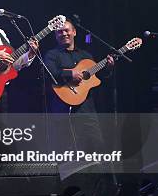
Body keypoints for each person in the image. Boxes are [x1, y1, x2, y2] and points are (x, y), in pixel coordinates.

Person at [44, 19, 114, 152]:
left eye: (67, 30)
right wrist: (70, 74)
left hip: (86, 110)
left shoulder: (85, 55)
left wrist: (108, 68)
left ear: (74, 32)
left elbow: (97, 78)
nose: (64, 33)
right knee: (67, 150)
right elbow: (48, 73)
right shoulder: (52, 55)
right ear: (55, 35)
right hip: (63, 110)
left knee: (96, 147)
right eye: (60, 32)